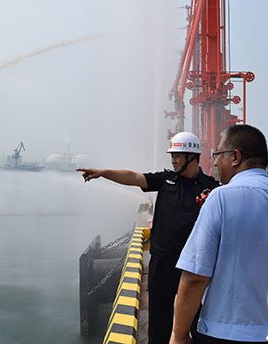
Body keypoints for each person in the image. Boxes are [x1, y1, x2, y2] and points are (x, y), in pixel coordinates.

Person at [170, 124, 268, 344]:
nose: (215, 162)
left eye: (218, 155)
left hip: (224, 334)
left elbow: (195, 277)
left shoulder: (220, 199)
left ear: (235, 157)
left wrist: (179, 336)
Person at [77, 132, 220, 344]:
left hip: (193, 266)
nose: (173, 160)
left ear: (192, 156)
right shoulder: (166, 180)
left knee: (197, 321)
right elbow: (134, 177)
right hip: (162, 264)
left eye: (178, 156)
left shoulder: (211, 188)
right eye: (172, 155)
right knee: (159, 321)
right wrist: (103, 172)